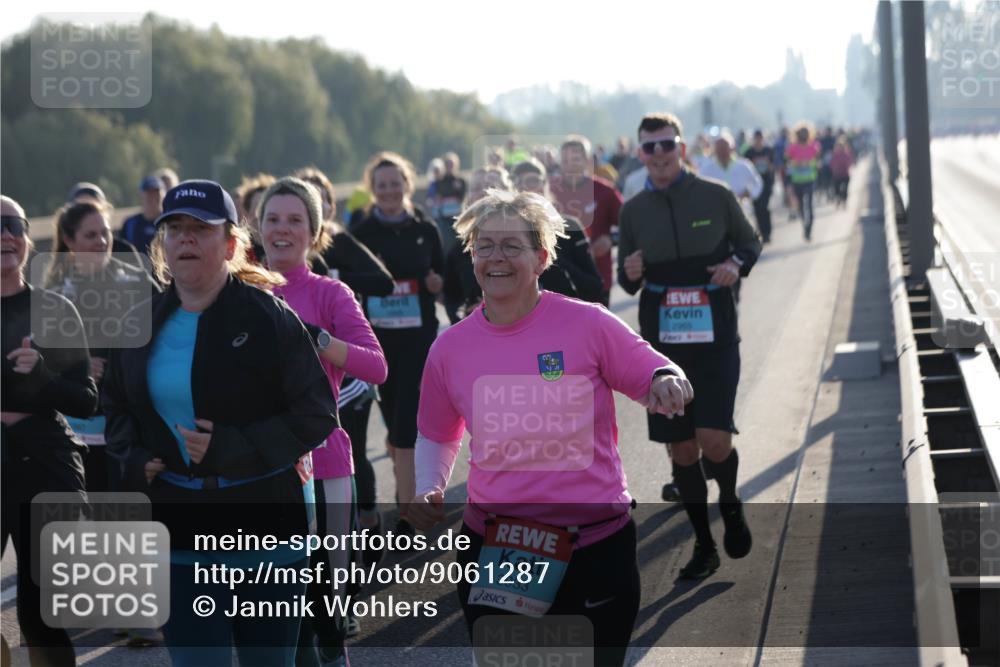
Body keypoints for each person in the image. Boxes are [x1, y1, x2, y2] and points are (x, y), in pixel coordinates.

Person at [408, 190, 693, 667]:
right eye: (484, 246)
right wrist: (428, 486)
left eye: (511, 246)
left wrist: (666, 380)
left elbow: (652, 368)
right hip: (500, 545)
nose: (496, 257)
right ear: (472, 257)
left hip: (594, 546)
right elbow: (437, 432)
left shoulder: (588, 324)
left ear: (541, 258)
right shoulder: (449, 349)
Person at [102, 180, 338, 666]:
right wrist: (134, 457)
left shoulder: (269, 317)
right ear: (163, 244)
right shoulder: (139, 322)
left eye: (201, 228)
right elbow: (116, 406)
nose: (186, 238)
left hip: (266, 529)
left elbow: (316, 414)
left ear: (231, 245)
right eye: (175, 229)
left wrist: (233, 447)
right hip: (177, 530)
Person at [618, 112, 760, 580]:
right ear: (641, 154)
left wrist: (735, 264)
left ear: (681, 148)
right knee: (681, 450)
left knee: (714, 440)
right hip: (662, 349)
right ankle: (704, 544)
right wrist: (630, 273)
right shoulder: (633, 210)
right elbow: (626, 279)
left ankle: (731, 502)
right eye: (650, 147)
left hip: (715, 337)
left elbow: (750, 243)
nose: (659, 154)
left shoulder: (715, 195)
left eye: (667, 145)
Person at [259, 177, 387, 666]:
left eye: (295, 220)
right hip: (258, 469)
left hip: (326, 464)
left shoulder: (330, 293)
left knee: (326, 611)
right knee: (273, 610)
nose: (282, 229)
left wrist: (317, 339)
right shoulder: (238, 291)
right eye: (273, 219)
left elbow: (376, 366)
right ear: (258, 227)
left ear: (314, 232)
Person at [2, 195, 98, 666]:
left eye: (14, 225)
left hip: (43, 465)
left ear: (27, 237)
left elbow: (86, 400)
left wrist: (43, 377)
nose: (5, 235)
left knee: (42, 614)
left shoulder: (55, 308)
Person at [352, 152, 444, 540]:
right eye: (382, 185)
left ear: (408, 184)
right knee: (393, 425)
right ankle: (405, 478)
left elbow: (442, 274)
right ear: (372, 189)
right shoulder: (361, 233)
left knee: (406, 427)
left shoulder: (425, 228)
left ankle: (407, 516)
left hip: (418, 341)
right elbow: (347, 282)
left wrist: (437, 283)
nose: (389, 191)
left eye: (395, 183)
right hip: (376, 342)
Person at [511, 158, 604, 303]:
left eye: (533, 181)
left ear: (544, 186)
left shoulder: (569, 227)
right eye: (518, 182)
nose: (525, 188)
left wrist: (553, 258)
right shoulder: (503, 233)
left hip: (566, 313)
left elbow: (595, 287)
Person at [549, 135, 622, 306]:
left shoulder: (605, 191)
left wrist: (611, 239)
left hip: (597, 277)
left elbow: (629, 226)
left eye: (576, 159)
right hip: (558, 282)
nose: (570, 164)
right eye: (565, 159)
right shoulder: (549, 190)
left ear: (588, 160)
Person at [785, 121, 821, 241]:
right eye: (801, 133)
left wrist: (810, 163)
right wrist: (795, 163)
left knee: (809, 205)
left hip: (810, 179)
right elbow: (787, 159)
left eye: (805, 133)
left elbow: (817, 159)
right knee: (800, 206)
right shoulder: (792, 148)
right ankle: (804, 225)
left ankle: (809, 228)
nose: (803, 136)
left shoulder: (813, 147)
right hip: (797, 180)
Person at [742, 130, 776, 243]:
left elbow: (773, 165)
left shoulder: (768, 150)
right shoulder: (749, 152)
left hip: (767, 183)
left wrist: (769, 165)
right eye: (757, 138)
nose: (759, 140)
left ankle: (767, 233)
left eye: (760, 138)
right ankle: (761, 232)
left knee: (764, 207)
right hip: (754, 185)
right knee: (757, 209)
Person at [120, 175, 165, 255]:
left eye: (156, 193)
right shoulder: (130, 224)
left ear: (164, 195)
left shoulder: (169, 222)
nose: (153, 197)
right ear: (140, 195)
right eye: (149, 193)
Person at [829, 136, 854, 207]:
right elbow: (831, 164)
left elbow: (850, 162)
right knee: (836, 189)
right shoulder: (834, 155)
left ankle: (844, 201)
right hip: (837, 175)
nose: (838, 148)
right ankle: (838, 199)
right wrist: (834, 169)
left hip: (845, 174)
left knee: (845, 189)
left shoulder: (846, 154)